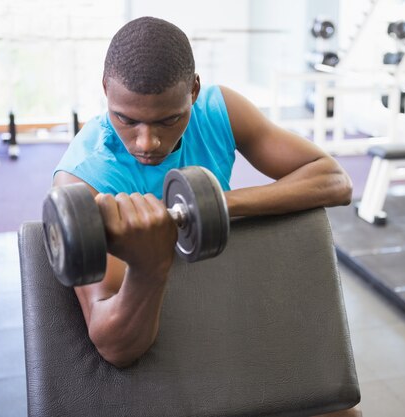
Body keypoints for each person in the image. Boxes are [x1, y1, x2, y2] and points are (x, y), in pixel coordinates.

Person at [53, 16, 359, 417]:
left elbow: (335, 180)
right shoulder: (82, 180)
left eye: (168, 119)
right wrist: (149, 265)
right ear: (105, 90)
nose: (148, 143)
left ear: (193, 90)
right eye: (126, 119)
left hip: (229, 301)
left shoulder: (218, 110)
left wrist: (219, 205)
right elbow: (115, 348)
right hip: (157, 330)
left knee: (340, 412)